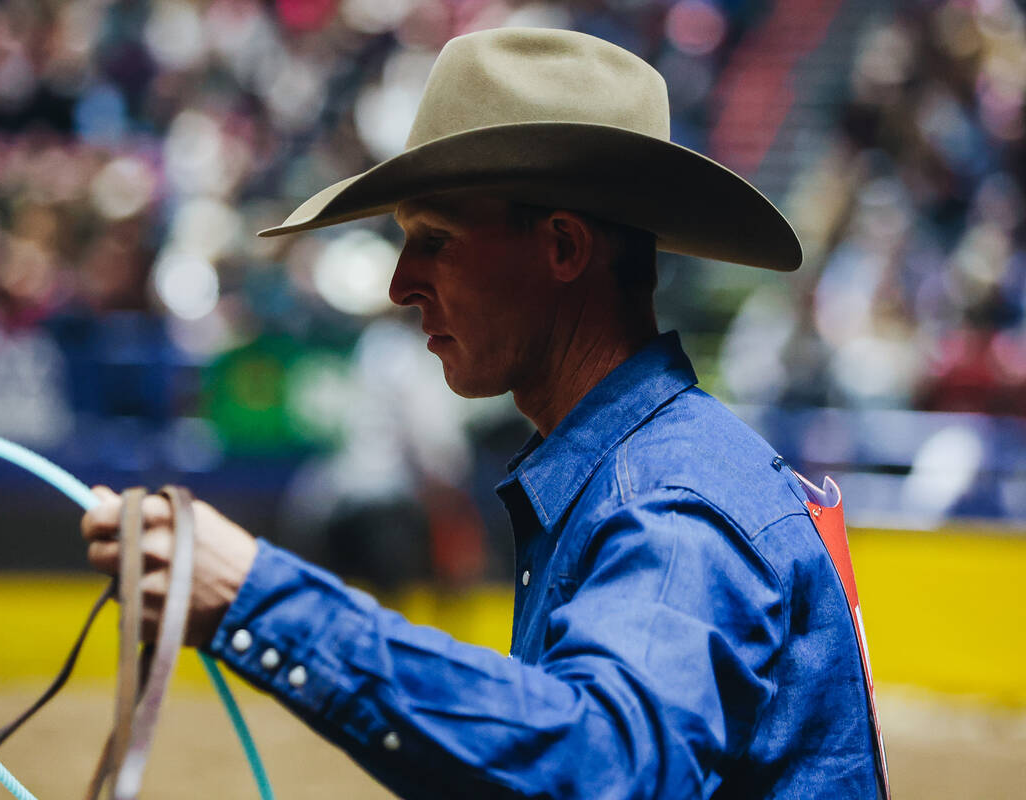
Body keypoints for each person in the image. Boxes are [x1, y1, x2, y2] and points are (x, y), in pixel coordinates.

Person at [82, 28, 885, 798]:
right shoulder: (656, 471)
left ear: (564, 249)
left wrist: (256, 594)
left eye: (434, 238)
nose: (400, 284)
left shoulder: (671, 501)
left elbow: (603, 768)